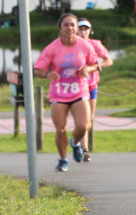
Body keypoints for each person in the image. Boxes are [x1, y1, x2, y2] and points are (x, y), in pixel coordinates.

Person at [34, 13, 99, 172]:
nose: (70, 28)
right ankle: (63, 160)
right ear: (60, 28)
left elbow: (95, 64)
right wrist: (47, 74)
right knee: (60, 129)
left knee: (83, 126)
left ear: (76, 28)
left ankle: (75, 142)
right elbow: (38, 69)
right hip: (59, 93)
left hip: (79, 91)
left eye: (72, 25)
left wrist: (87, 69)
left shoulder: (85, 46)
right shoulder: (53, 47)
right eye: (66, 25)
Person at [75, 19, 114, 163]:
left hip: (91, 85)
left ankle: (78, 141)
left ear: (90, 31)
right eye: (81, 29)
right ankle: (85, 150)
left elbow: (109, 60)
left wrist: (96, 66)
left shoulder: (95, 44)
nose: (83, 32)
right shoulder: (72, 45)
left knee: (88, 120)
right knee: (82, 119)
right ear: (76, 30)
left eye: (86, 29)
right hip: (77, 87)